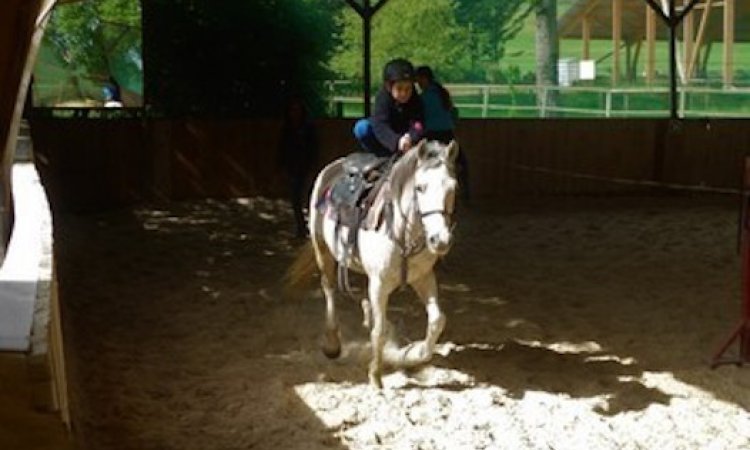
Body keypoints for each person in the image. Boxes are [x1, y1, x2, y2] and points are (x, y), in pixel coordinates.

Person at [415, 65, 470, 204]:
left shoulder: (423, 97)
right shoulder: (442, 93)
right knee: (460, 163)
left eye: (419, 80)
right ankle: (466, 193)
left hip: (431, 135)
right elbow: (454, 113)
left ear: (424, 79)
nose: (418, 84)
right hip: (448, 133)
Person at [353, 58, 424, 157]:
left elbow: (418, 123)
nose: (404, 93)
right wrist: (396, 142)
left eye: (408, 89)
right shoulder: (382, 98)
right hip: (385, 138)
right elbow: (380, 125)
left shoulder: (416, 99)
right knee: (362, 128)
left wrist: (411, 137)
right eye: (399, 89)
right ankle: (378, 155)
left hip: (406, 140)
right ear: (388, 86)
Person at [278, 95, 318, 238]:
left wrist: (312, 166)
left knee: (308, 197)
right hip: (292, 168)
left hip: (305, 167)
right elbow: (282, 148)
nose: (294, 113)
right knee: (295, 199)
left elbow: (314, 149)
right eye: (292, 110)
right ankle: (300, 226)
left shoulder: (308, 128)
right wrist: (282, 166)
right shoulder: (287, 128)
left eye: (297, 110)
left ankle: (311, 225)